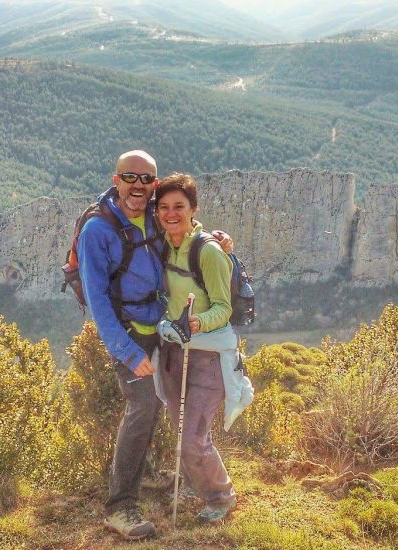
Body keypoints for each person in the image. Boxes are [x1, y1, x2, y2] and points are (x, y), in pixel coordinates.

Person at [78, 151, 233, 540]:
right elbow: (98, 302)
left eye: (146, 179)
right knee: (143, 405)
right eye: (130, 177)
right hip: (129, 334)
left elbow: (180, 229)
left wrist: (217, 240)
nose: (139, 186)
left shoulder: (149, 214)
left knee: (162, 401)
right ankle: (120, 507)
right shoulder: (97, 232)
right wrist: (128, 353)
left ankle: (145, 474)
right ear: (116, 180)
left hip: (160, 328)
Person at [153, 173, 238, 523]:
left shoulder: (209, 251)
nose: (171, 213)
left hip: (207, 358)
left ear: (194, 209)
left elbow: (223, 306)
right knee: (181, 427)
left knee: (193, 437)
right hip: (174, 351)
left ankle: (221, 495)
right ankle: (193, 481)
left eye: (179, 206)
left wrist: (197, 322)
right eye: (164, 207)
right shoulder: (161, 243)